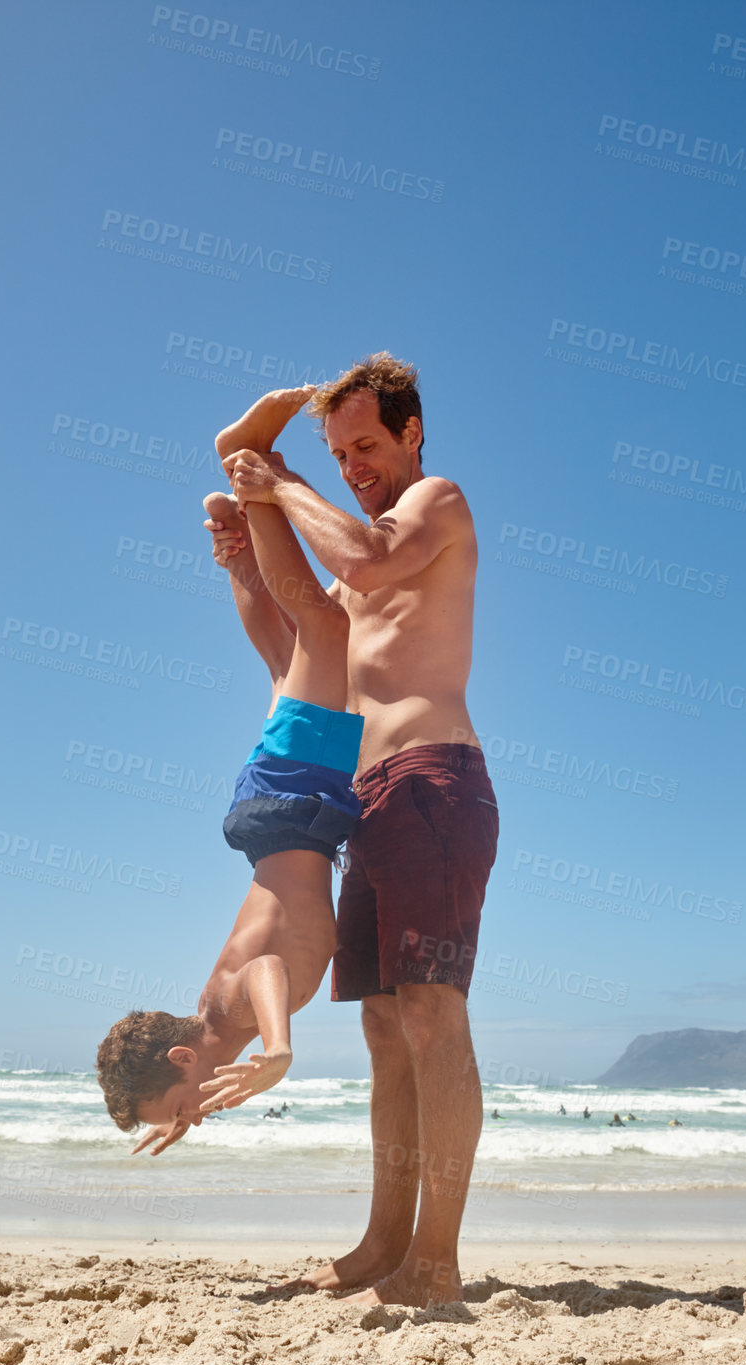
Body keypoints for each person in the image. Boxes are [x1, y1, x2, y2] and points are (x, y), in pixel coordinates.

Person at [219, 354, 497, 1307]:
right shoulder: (353, 540)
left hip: (433, 781)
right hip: (365, 797)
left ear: (412, 432)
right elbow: (302, 645)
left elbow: (365, 556)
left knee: (430, 1012)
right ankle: (384, 1243)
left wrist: (284, 483)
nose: (353, 465)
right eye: (337, 453)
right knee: (384, 1028)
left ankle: (438, 1256)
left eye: (366, 445)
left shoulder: (434, 506)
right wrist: (245, 565)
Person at [97, 387, 360, 1156]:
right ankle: (239, 547)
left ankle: (248, 470)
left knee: (323, 625)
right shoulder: (207, 1018)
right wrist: (184, 1106)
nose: (194, 1117)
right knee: (289, 658)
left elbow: (270, 968)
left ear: (186, 1059)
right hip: (274, 812)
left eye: (181, 1107)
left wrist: (276, 1053)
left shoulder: (231, 1017)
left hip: (294, 804)